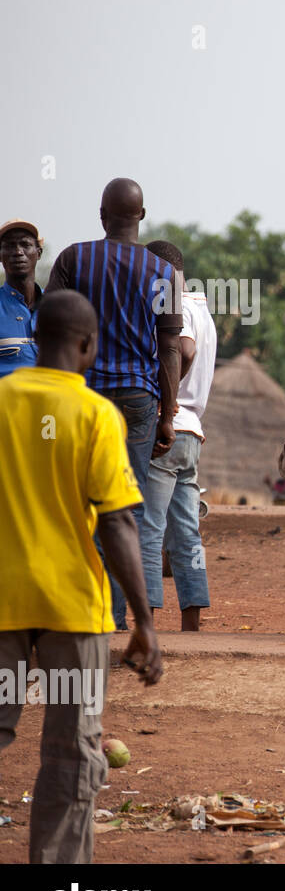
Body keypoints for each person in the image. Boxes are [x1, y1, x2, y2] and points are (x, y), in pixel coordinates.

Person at [0, 289, 163, 864]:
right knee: (71, 754)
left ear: (34, 337)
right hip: (72, 611)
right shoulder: (96, 414)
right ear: (89, 346)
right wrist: (144, 621)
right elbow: (119, 523)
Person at [44, 178, 185, 630]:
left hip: (79, 398)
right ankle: (114, 618)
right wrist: (168, 415)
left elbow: (48, 328)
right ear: (141, 217)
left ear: (102, 215)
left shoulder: (72, 259)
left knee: (73, 500)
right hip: (138, 400)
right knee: (125, 508)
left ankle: (71, 608)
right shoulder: (163, 273)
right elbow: (169, 347)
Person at [137, 241, 216, 632]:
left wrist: (163, 406)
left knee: (149, 526)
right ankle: (192, 619)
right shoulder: (201, 308)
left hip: (168, 427)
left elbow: (181, 351)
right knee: (186, 530)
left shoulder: (177, 308)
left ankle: (146, 619)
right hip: (192, 434)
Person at [0, 219, 43, 377]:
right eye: (9, 246)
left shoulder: (57, 306)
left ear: (38, 253)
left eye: (25, 245)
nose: (18, 252)